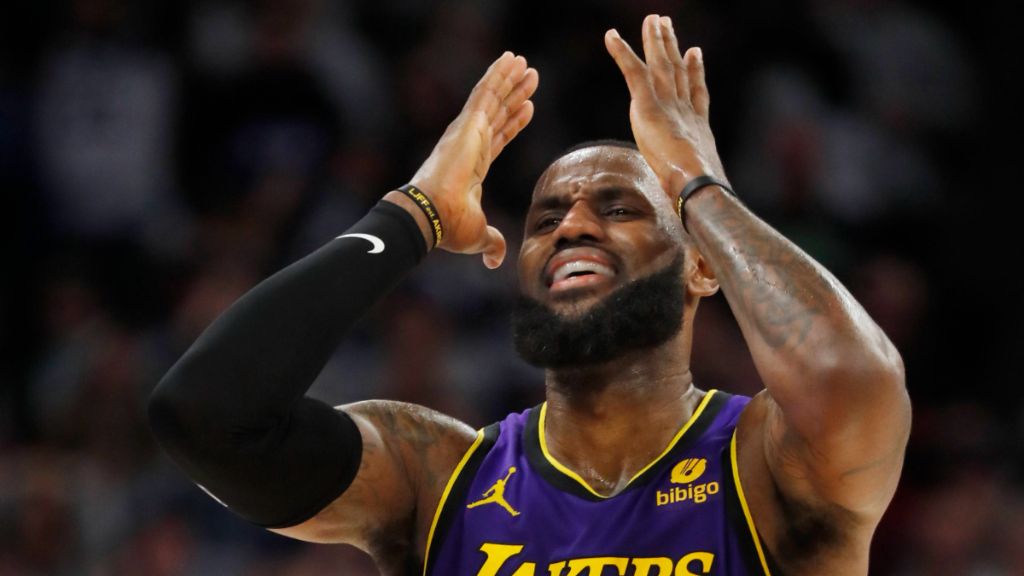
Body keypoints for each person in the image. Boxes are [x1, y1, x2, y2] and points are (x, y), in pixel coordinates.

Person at [148, 14, 909, 576]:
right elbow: (204, 417)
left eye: (619, 208)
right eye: (547, 217)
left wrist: (697, 187)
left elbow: (855, 378)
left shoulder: (767, 463)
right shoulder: (440, 477)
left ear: (701, 268)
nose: (573, 224)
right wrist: (413, 212)